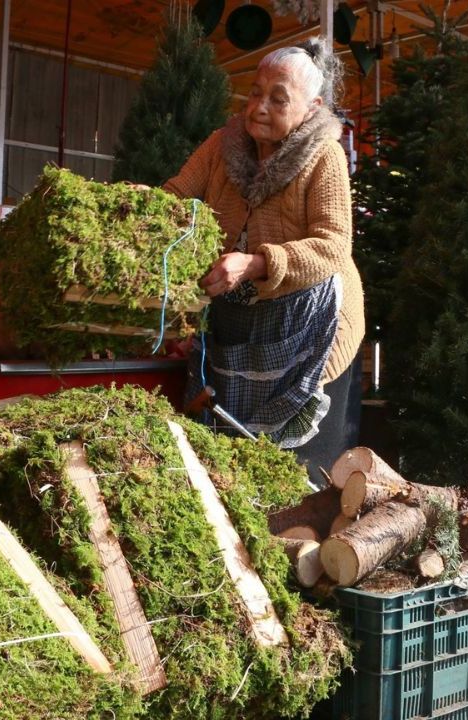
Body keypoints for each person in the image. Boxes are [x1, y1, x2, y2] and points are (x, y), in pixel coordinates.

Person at [163, 37, 365, 488]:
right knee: (229, 458)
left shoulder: (322, 155)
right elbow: (177, 196)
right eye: (255, 92)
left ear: (311, 108)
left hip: (310, 326)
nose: (259, 107)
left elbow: (333, 245)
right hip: (239, 321)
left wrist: (256, 263)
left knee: (297, 476)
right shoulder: (222, 145)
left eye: (278, 99)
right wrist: (142, 207)